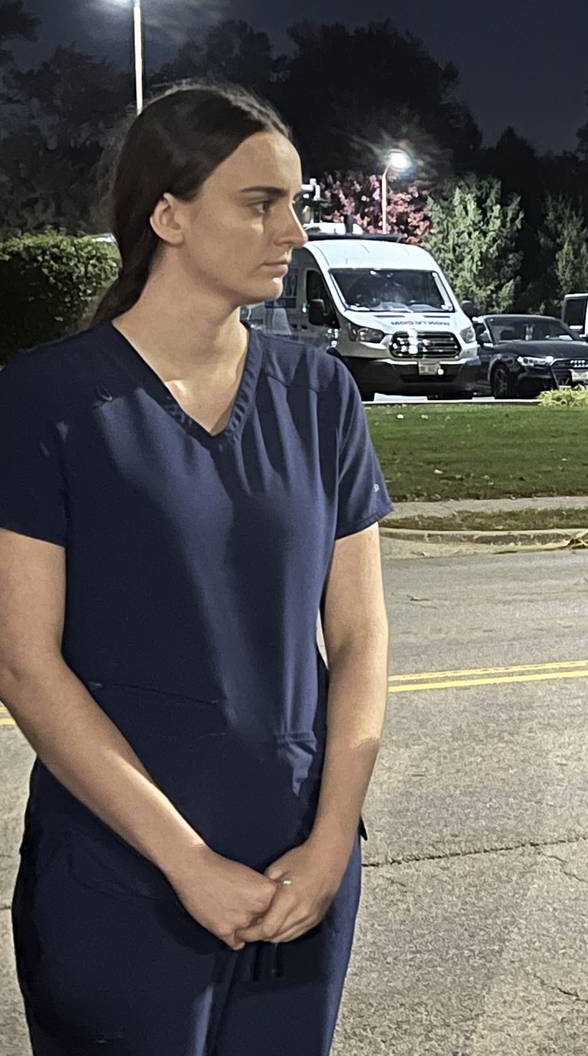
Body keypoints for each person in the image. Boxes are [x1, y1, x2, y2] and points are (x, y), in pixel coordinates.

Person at [0, 83, 393, 1054]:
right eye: (259, 203)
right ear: (167, 215)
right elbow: (22, 663)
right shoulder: (48, 401)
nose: (292, 231)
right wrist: (186, 862)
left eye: (295, 202)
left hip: (300, 869)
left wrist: (332, 838)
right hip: (122, 876)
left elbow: (360, 632)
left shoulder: (318, 393)